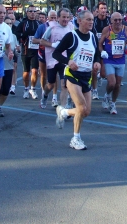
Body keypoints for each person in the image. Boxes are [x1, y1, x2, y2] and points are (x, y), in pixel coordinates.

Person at [53, 10, 101, 150]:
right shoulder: (71, 36)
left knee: (86, 111)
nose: (91, 22)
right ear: (79, 21)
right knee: (81, 107)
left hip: (87, 76)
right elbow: (56, 53)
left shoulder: (93, 36)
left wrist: (97, 62)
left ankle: (64, 112)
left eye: (92, 20)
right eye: (88, 19)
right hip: (73, 75)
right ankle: (76, 138)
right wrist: (68, 61)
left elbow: (96, 54)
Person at [99, 11, 127, 114]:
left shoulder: (126, 29)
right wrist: (102, 51)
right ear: (111, 21)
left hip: (121, 60)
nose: (118, 22)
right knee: (112, 82)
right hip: (109, 59)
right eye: (115, 20)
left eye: (120, 20)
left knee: (117, 84)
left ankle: (113, 103)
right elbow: (100, 43)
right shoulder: (107, 30)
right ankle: (107, 95)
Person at [40, 8, 73, 109]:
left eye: (67, 17)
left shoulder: (71, 28)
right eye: (63, 17)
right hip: (52, 59)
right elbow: (42, 41)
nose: (65, 19)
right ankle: (45, 95)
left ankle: (63, 109)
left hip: (65, 60)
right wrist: (52, 44)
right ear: (58, 18)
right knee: (50, 84)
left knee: (64, 85)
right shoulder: (51, 28)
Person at [0, 17, 19, 117]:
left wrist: (17, 51)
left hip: (8, 66)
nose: (8, 25)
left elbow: (15, 51)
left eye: (10, 24)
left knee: (5, 90)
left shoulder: (13, 37)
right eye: (6, 23)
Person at [32, 10, 58, 106]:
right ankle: (44, 93)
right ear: (48, 18)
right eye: (52, 17)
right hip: (43, 53)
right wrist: (44, 41)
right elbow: (34, 40)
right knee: (43, 75)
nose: (54, 19)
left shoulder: (59, 27)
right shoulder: (42, 27)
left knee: (54, 76)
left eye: (55, 17)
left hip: (55, 55)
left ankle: (55, 97)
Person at [16, 5, 40, 99]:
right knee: (26, 71)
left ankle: (33, 89)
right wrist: (23, 35)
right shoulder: (23, 23)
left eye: (34, 11)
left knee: (35, 71)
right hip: (26, 50)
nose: (32, 13)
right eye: (30, 11)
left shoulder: (39, 23)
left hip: (36, 50)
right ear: (27, 12)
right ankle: (26, 88)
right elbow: (17, 34)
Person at [91, 1, 110, 99]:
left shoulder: (110, 21)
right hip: (94, 48)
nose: (103, 10)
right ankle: (94, 90)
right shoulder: (92, 21)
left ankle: (99, 77)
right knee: (94, 70)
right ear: (97, 10)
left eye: (105, 8)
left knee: (103, 74)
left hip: (105, 49)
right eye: (101, 8)